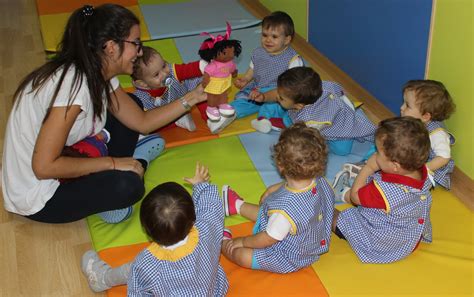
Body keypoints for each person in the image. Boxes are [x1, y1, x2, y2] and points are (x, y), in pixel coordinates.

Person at [1, 4, 206, 224]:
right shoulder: (72, 88)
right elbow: (43, 168)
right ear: (110, 47)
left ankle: (126, 164)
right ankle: (135, 164)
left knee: (132, 105)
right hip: (41, 194)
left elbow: (142, 121)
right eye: (135, 43)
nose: (139, 51)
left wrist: (194, 96)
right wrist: (112, 163)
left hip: (64, 155)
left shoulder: (96, 69)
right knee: (129, 187)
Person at [81, 163, 229, 295]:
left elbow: (137, 292)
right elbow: (210, 206)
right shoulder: (206, 229)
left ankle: (102, 278)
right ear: (192, 216)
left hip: (152, 274)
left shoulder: (148, 263)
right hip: (213, 290)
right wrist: (200, 185)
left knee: (132, 270)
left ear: (147, 232)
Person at [220, 123, 334, 273]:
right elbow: (293, 188)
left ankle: (222, 242)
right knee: (266, 212)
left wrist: (242, 241)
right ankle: (237, 205)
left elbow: (267, 238)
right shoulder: (318, 181)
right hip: (311, 239)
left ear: (280, 165)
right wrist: (274, 188)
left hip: (288, 257)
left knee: (241, 255)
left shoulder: (283, 210)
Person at [332, 116, 434, 264]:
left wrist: (369, 167)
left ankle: (343, 194)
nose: (375, 155)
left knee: (332, 213)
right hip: (409, 236)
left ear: (395, 166)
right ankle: (346, 192)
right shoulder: (422, 172)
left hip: (380, 243)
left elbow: (356, 198)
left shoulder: (383, 191)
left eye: (378, 153)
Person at [253, 67, 376, 156]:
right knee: (286, 117)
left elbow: (306, 141)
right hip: (323, 119)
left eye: (281, 98)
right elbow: (338, 89)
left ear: (299, 105)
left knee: (342, 151)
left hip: (341, 128)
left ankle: (347, 133)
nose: (277, 97)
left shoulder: (307, 119)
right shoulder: (323, 86)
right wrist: (263, 97)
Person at [230, 11, 303, 121]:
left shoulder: (293, 59)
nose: (268, 40)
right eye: (264, 35)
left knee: (274, 106)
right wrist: (245, 79)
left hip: (277, 93)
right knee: (243, 100)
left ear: (287, 39)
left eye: (274, 37)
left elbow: (293, 85)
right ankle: (230, 113)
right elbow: (253, 68)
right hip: (257, 88)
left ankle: (264, 120)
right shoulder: (259, 52)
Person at [132, 46, 207, 132]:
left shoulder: (171, 71)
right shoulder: (141, 99)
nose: (165, 74)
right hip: (163, 114)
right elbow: (146, 123)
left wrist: (204, 66)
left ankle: (209, 117)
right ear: (143, 84)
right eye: (156, 74)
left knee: (201, 84)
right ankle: (177, 120)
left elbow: (187, 69)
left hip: (182, 94)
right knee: (154, 127)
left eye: (164, 65)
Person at [400, 80, 456, 189]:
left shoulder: (437, 134)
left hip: (433, 169)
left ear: (425, 116)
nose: (401, 108)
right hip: (418, 158)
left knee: (407, 185)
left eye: (407, 105)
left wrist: (424, 169)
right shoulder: (418, 121)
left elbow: (444, 158)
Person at [198, 22, 241, 132]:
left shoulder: (230, 62)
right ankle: (211, 107)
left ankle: (223, 105)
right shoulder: (214, 65)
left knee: (223, 95)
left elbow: (232, 69)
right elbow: (207, 73)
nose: (230, 55)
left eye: (232, 52)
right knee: (213, 96)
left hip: (224, 83)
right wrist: (205, 80)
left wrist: (234, 72)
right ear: (215, 53)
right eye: (226, 53)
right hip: (214, 83)